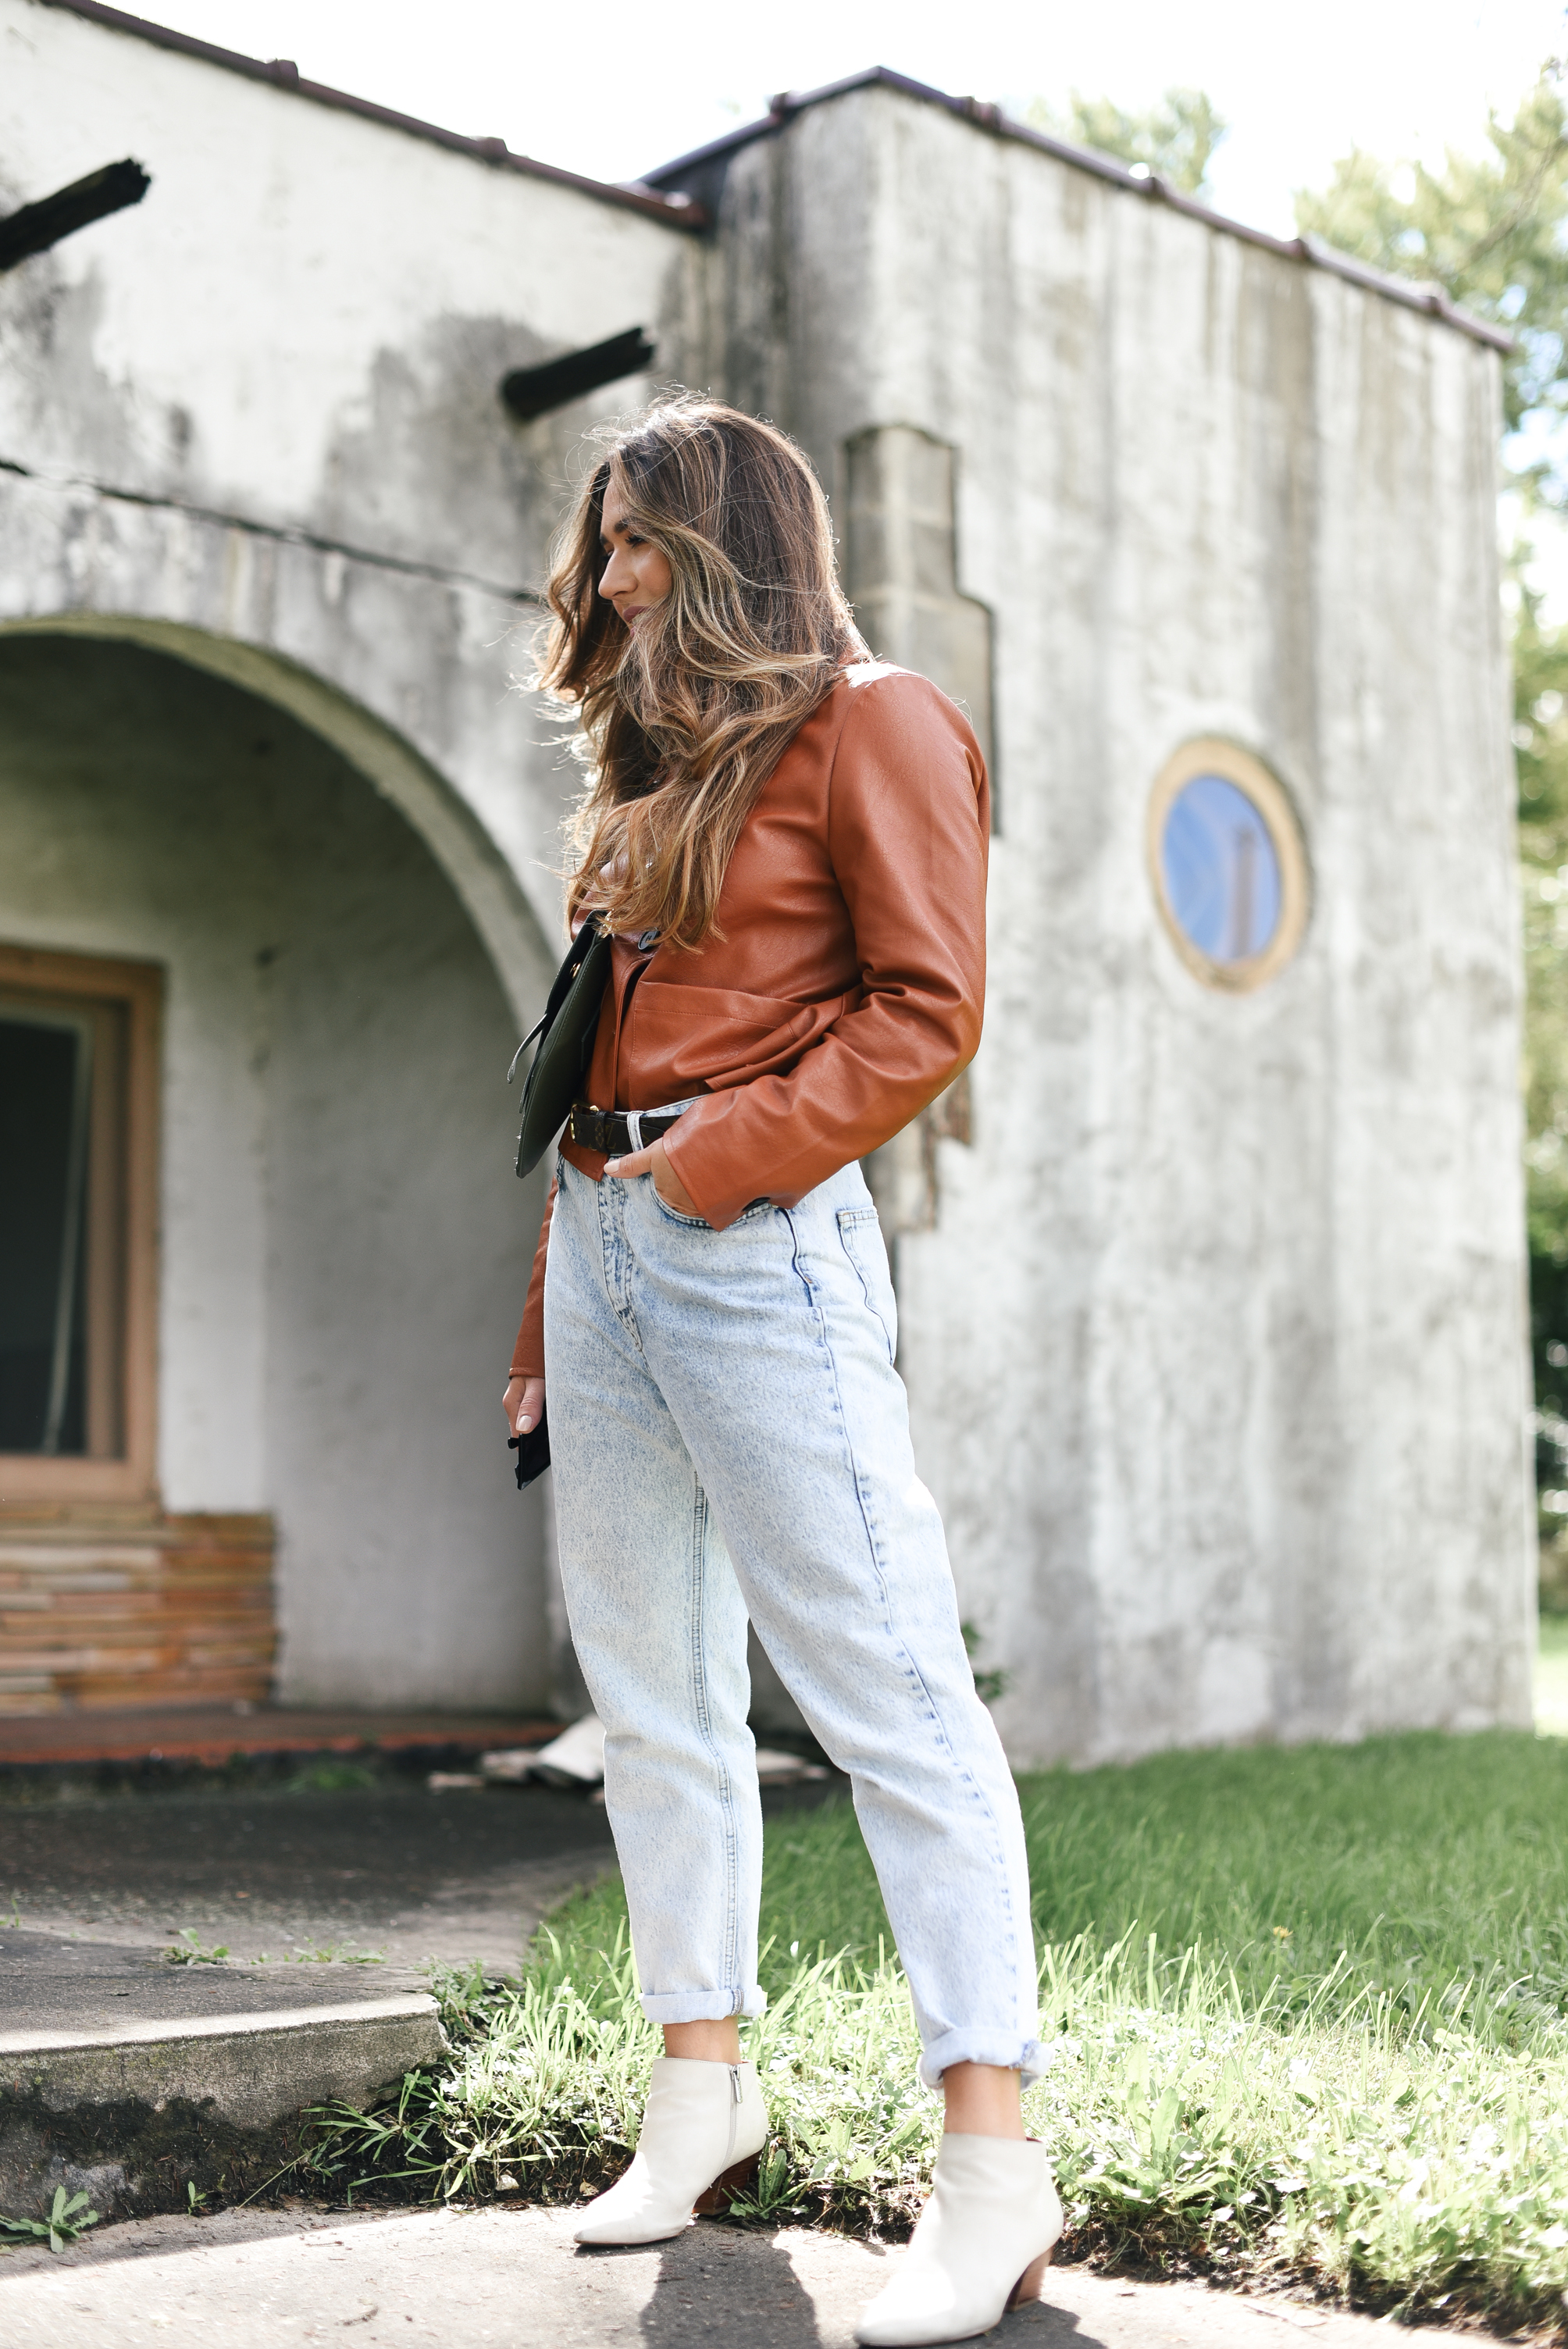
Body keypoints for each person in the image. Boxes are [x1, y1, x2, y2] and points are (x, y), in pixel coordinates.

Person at [502, 396, 1060, 2347]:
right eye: (603, 544)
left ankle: (990, 2165)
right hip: (603, 1247)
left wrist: (713, 1177)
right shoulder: (654, 757)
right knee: (651, 1698)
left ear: (730, 539)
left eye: (643, 539)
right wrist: (543, 1318)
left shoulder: (875, 719)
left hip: (756, 1241)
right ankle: (698, 2094)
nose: (612, 576)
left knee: (888, 1693)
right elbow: (583, 1047)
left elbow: (929, 1008)